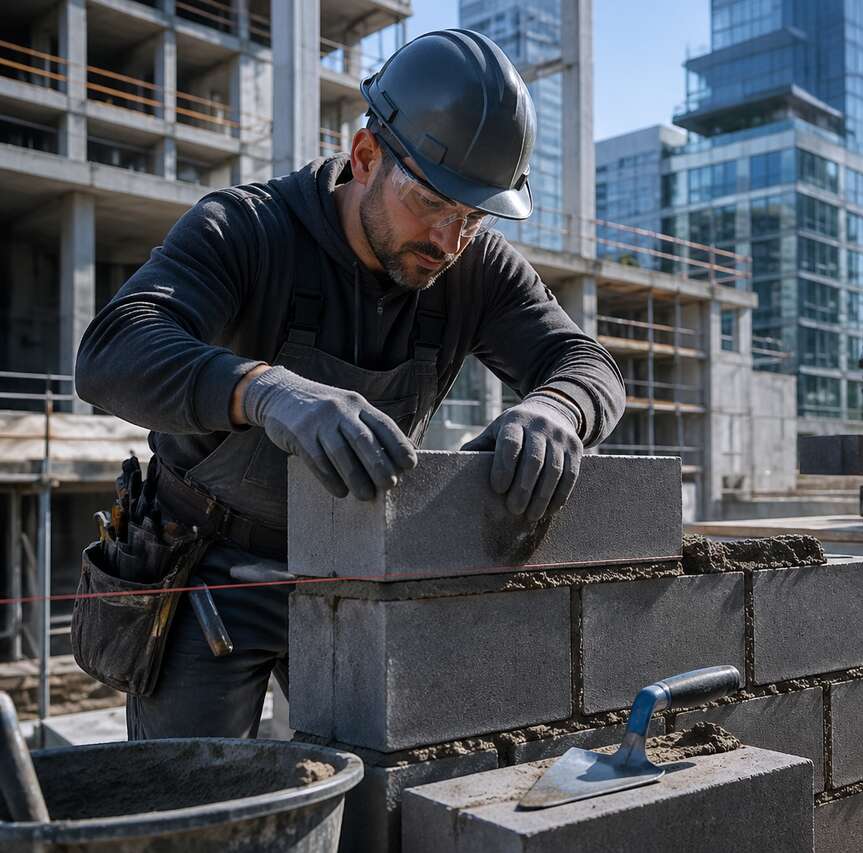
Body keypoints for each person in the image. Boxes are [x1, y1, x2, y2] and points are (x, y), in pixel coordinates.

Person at [74, 28, 624, 739]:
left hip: (359, 562)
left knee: (390, 777)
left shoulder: (476, 268)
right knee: (195, 785)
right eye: (431, 203)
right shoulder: (248, 230)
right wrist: (264, 390)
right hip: (208, 561)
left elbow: (586, 364)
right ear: (366, 156)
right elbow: (111, 350)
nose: (449, 241)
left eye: (472, 217)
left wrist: (558, 408)